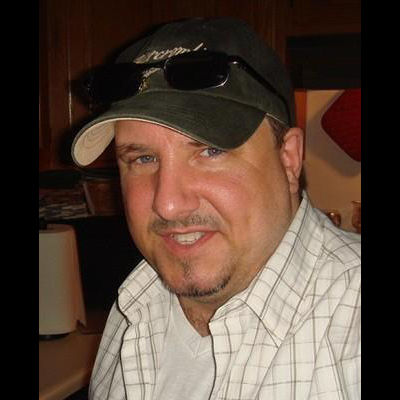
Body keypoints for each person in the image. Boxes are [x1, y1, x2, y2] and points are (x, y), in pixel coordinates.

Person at [71, 17, 361, 400]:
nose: (168, 204)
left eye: (211, 151)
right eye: (143, 158)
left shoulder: (351, 325)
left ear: (289, 158)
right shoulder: (133, 308)